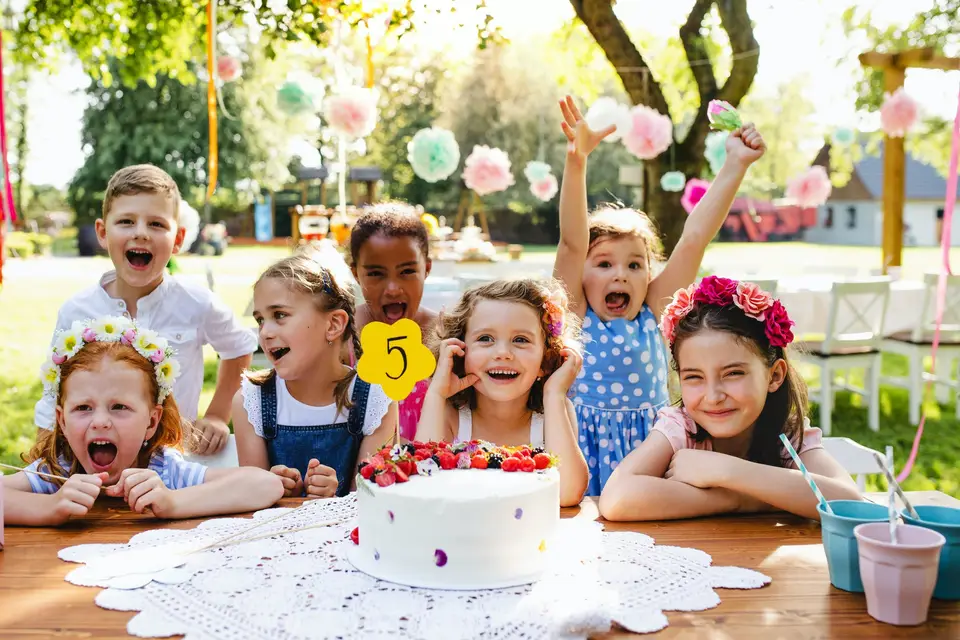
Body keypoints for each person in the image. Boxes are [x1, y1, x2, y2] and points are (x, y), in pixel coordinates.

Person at [553, 95, 767, 494]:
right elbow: (570, 243)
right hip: (583, 456)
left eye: (635, 265)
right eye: (603, 264)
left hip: (652, 454)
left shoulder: (653, 311)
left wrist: (735, 164)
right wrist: (576, 160)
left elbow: (694, 240)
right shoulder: (577, 315)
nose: (621, 275)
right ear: (581, 272)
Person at [33, 165, 256, 455]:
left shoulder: (196, 302)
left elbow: (239, 347)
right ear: (102, 232)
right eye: (126, 221)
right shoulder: (77, 310)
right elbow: (53, 397)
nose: (141, 233)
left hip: (175, 461)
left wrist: (217, 413)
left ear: (178, 239)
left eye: (156, 224)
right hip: (98, 461)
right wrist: (43, 464)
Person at [599, 278, 860, 521]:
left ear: (774, 375)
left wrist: (725, 470)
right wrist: (739, 500)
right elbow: (617, 498)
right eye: (694, 377)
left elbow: (850, 503)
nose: (713, 397)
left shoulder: (786, 434)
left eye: (733, 373)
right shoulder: (680, 428)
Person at [3, 317, 283, 525]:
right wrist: (50, 508)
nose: (100, 421)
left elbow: (265, 485)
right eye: (84, 408)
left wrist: (172, 502)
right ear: (61, 421)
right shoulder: (59, 471)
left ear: (151, 421)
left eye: (119, 407)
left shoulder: (164, 472)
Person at [233, 249, 398, 498]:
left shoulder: (376, 398)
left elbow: (372, 501)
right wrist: (273, 490)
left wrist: (334, 497)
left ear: (333, 325)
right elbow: (250, 504)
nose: (265, 332)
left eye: (280, 315)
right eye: (260, 320)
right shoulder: (252, 400)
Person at [416, 279, 588, 506]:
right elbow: (421, 484)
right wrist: (437, 394)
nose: (503, 353)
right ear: (460, 350)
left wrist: (555, 394)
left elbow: (566, 494)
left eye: (520, 340)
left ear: (546, 359)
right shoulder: (451, 413)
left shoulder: (554, 411)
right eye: (485, 338)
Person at [350, 203, 439, 440]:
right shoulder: (342, 336)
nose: (392, 289)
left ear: (427, 268)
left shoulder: (443, 334)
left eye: (407, 272)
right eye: (376, 273)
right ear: (355, 273)